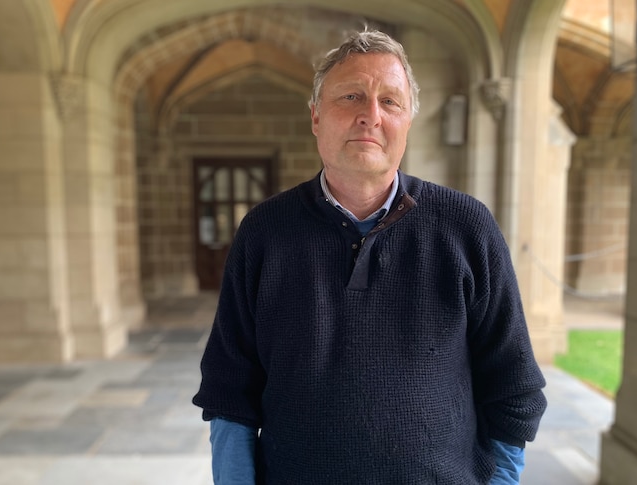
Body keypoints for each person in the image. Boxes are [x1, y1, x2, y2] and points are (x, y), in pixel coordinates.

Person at [193, 29, 547, 484]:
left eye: (391, 102)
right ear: (317, 117)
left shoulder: (466, 226)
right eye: (352, 96)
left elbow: (513, 385)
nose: (371, 116)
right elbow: (230, 391)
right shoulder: (264, 232)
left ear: (407, 123)